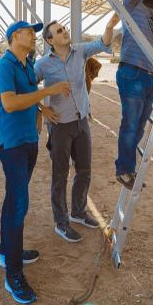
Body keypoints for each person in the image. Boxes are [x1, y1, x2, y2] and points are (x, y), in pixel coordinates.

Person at [0, 20, 71, 305]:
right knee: (18, 205)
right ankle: (13, 275)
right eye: (29, 32)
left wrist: (40, 108)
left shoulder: (26, 66)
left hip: (28, 142)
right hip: (12, 145)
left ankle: (6, 252)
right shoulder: (4, 66)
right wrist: (46, 93)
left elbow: (26, 95)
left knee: (13, 200)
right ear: (15, 36)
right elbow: (10, 103)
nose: (34, 36)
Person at [34, 18, 118, 243]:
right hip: (60, 126)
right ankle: (61, 223)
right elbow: (27, 87)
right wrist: (42, 109)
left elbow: (102, 43)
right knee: (60, 176)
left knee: (84, 171)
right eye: (59, 31)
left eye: (65, 29)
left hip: (82, 121)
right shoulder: (42, 65)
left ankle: (78, 213)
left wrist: (110, 27)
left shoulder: (80, 51)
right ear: (50, 40)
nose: (65, 32)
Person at [114, 0, 153, 190]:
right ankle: (124, 170)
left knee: (139, 127)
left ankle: (126, 167)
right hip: (133, 72)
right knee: (130, 125)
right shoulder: (132, 7)